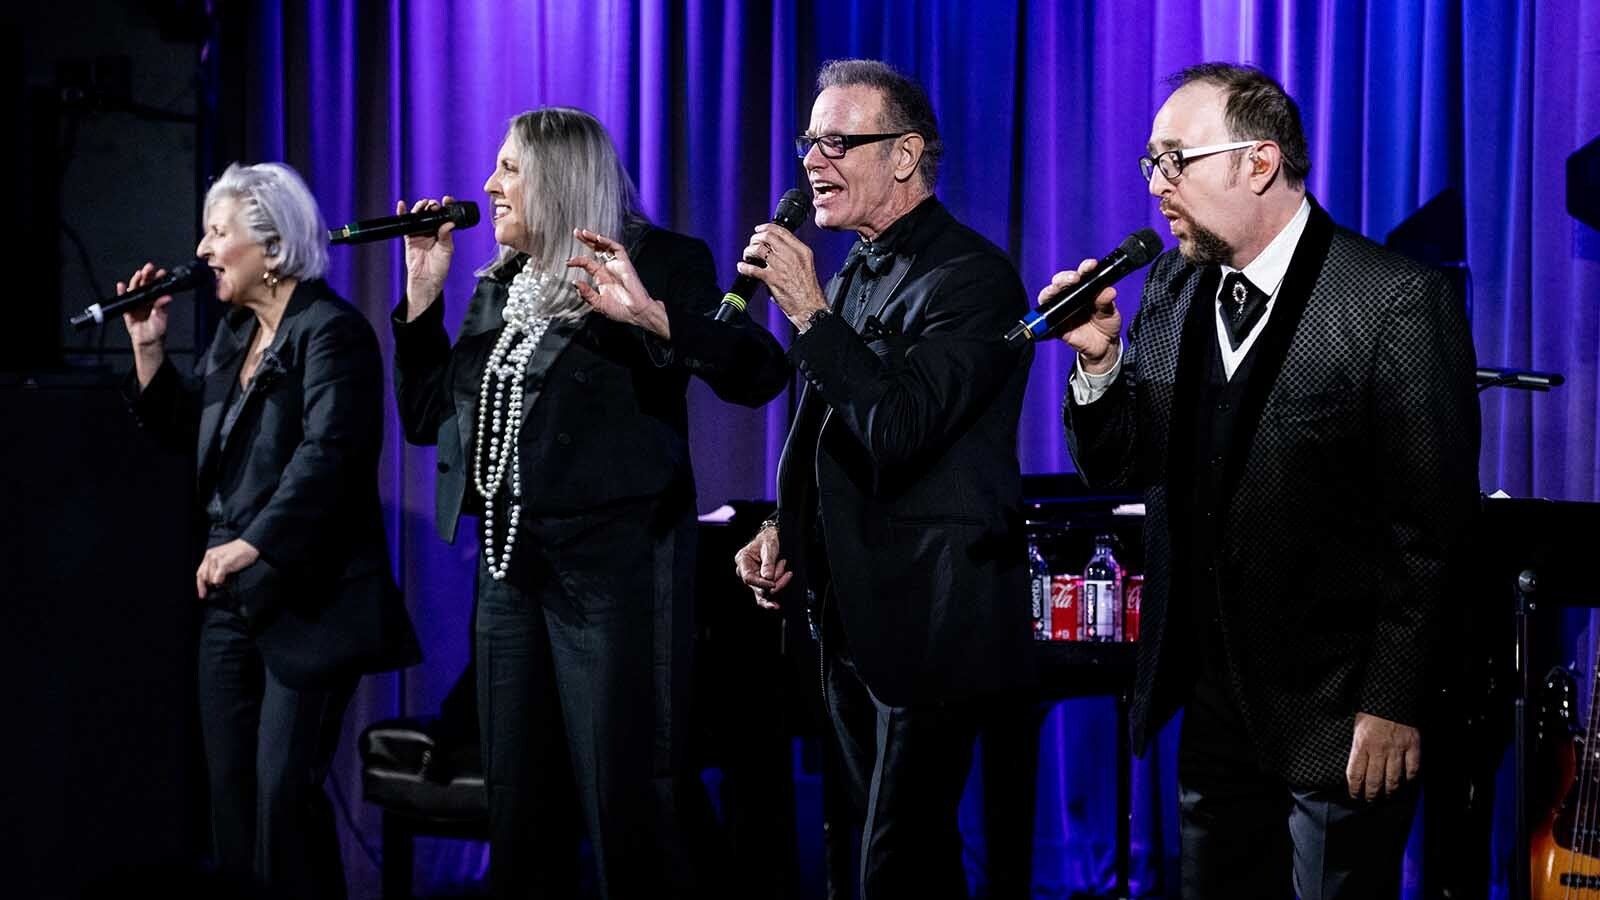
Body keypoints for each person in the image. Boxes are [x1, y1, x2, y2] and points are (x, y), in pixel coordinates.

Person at [1051, 63, 1479, 899]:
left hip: (1339, 712)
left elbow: (1431, 529)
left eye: (1178, 160)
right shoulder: (1173, 286)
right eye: (1151, 165)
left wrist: (1392, 701)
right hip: (1211, 702)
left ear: (1260, 162)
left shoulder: (1392, 299)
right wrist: (1101, 364)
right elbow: (1128, 466)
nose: (1158, 186)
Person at [391, 107, 789, 899]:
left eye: (509, 168)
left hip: (617, 570)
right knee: (519, 805)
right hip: (511, 570)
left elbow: (757, 371)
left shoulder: (657, 259)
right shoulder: (504, 283)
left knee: (629, 796)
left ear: (561, 178)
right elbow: (425, 417)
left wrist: (649, 315)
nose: (488, 186)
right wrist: (421, 297)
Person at [732, 59, 1034, 898]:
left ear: (904, 156)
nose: (811, 162)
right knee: (868, 855)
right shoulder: (861, 267)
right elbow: (827, 430)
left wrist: (810, 313)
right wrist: (783, 528)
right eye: (807, 142)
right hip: (849, 609)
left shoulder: (972, 278)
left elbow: (898, 429)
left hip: (932, 615)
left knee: (892, 864)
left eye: (836, 142)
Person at [119, 161, 421, 898]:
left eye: (218, 232)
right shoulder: (233, 336)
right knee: (231, 796)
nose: (203, 249)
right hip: (232, 601)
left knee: (281, 792)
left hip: (308, 598)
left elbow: (331, 458)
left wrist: (253, 543)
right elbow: (192, 433)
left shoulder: (332, 333)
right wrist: (148, 347)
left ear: (274, 247)